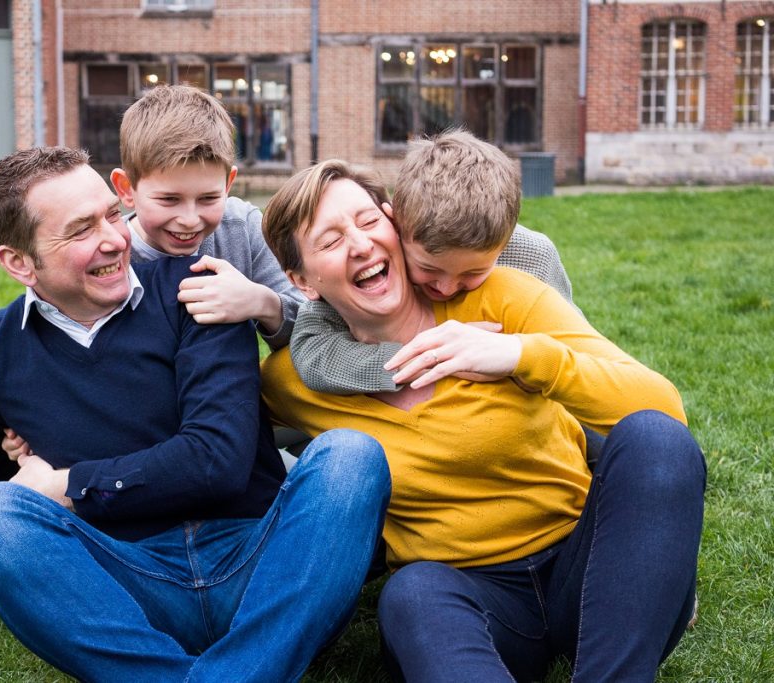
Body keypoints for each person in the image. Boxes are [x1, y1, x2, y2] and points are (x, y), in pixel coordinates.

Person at [0, 147, 391, 682]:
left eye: (112, 216)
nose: (113, 240)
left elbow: (215, 462)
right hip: (132, 585)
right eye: (80, 230)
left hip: (263, 568)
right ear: (19, 261)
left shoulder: (198, 291)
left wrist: (68, 485)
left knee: (350, 456)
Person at [259, 158, 706, 682]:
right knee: (411, 593)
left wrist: (522, 357)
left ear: (396, 224)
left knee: (656, 439)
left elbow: (663, 408)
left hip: (594, 575)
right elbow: (221, 442)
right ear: (301, 281)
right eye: (330, 241)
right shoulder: (295, 378)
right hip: (469, 598)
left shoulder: (504, 296)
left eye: (366, 221)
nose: (359, 245)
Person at [290, 130, 576, 395]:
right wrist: (432, 356)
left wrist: (514, 356)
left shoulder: (532, 255)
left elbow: (574, 349)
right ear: (395, 222)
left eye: (474, 272)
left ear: (502, 244)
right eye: (428, 268)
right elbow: (312, 351)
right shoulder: (387, 252)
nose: (447, 287)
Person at [109, 84, 304, 349]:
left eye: (208, 199)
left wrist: (262, 303)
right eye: (169, 199)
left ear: (228, 184)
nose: (190, 219)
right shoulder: (108, 252)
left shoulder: (241, 229)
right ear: (126, 188)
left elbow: (313, 328)